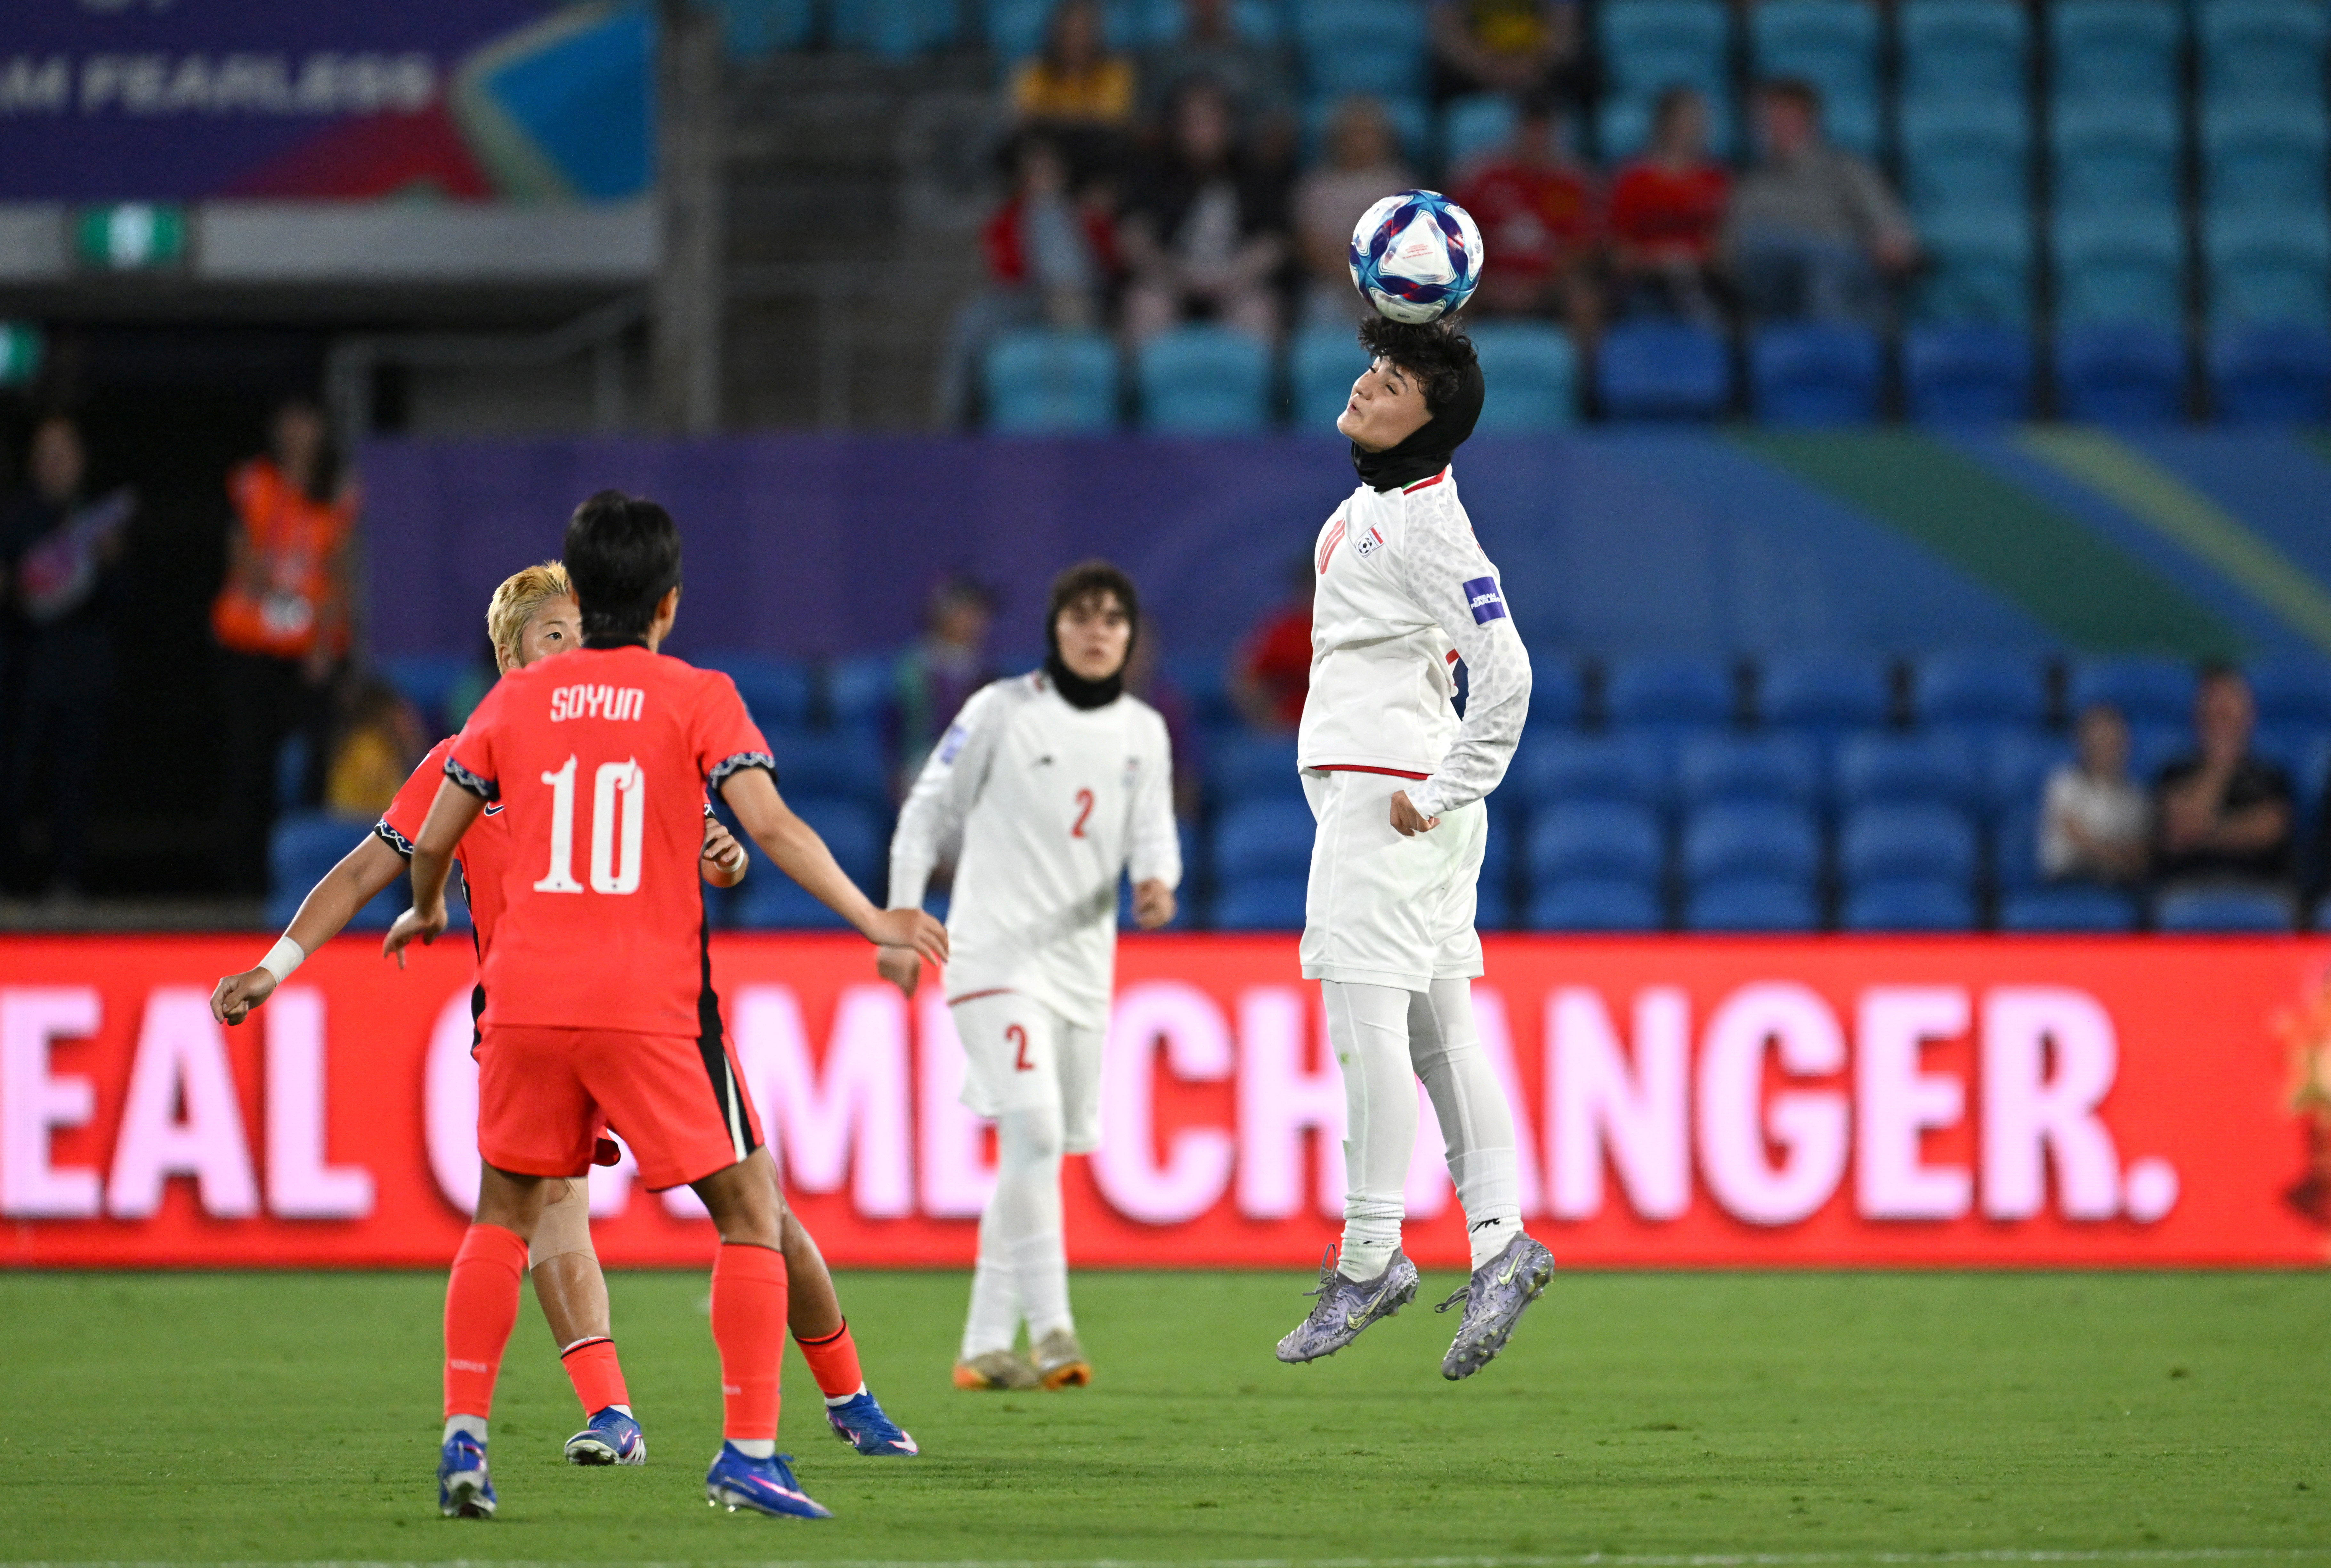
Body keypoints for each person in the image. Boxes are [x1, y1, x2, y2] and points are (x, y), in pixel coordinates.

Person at [208, 562, 921, 1471]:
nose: (573, 651)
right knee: (550, 1211)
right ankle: (612, 1415)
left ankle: (847, 1392)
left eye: (580, 633)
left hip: (646, 1006)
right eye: (554, 636)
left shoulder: (626, 736)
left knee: (761, 1212)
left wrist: (723, 854)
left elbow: (719, 851)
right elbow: (362, 869)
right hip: (533, 1012)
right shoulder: (473, 749)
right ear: (510, 655)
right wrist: (277, 965)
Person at [380, 495, 947, 1521]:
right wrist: (873, 917)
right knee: (748, 1214)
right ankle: (749, 1450)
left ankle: (466, 1437)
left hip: (523, 999)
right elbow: (770, 826)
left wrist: (425, 909)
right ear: (669, 604)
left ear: (581, 598)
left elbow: (430, 841)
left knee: (502, 1218)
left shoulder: (509, 707)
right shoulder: (696, 695)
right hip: (648, 998)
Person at [1274, 313, 1552, 1379]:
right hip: (1408, 795)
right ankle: (1498, 1240)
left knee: (1365, 1029)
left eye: (1392, 382)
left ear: (1429, 428)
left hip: (1391, 795)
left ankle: (1370, 1252)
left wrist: (1441, 790)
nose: (1364, 385)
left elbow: (1510, 672)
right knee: (1443, 1038)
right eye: (1372, 367)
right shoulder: (1378, 502)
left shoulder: (1430, 526)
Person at [876, 561, 1180, 1392]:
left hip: (1084, 967)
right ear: (1056, 629)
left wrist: (1158, 881)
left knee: (1035, 1148)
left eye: (1112, 619)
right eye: (1081, 616)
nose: (1097, 631)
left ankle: (981, 1343)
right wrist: (901, 916)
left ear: (1127, 636)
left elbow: (1152, 831)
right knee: (1038, 1130)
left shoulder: (1143, 732)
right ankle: (1052, 1331)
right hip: (993, 955)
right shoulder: (1000, 711)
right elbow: (926, 809)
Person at [212, 397, 357, 895]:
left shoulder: (337, 490)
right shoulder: (253, 482)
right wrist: (276, 584)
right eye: (289, 419)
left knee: (312, 767)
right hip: (253, 645)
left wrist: (322, 644)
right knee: (247, 767)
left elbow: (340, 575)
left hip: (309, 654)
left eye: (306, 419)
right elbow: (240, 556)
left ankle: (307, 886)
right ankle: (243, 888)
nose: (297, 430)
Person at [1, 414, 131, 895]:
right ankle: (10, 887)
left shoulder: (98, 521)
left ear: (80, 460)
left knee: (74, 782)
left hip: (85, 673)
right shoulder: (14, 519)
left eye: (64, 453)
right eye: (45, 453)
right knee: (14, 782)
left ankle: (68, 882)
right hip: (26, 674)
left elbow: (121, 603)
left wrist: (110, 563)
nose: (55, 464)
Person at [942, 134, 1121, 427]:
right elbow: (1005, 273)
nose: (1043, 178)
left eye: (1049, 170)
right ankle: (962, 419)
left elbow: (1109, 264)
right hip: (1026, 300)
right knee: (971, 321)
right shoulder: (1006, 220)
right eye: (1035, 171)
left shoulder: (1086, 215)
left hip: (1086, 299)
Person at [1724, 79, 1916, 329]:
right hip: (1774, 294)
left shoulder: (1846, 170)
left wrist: (1891, 244)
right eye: (1764, 122)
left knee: (1824, 266)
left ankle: (1831, 349)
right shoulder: (1750, 187)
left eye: (1782, 119)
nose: (1771, 129)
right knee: (1763, 243)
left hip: (1844, 280)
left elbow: (1892, 235)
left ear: (1808, 121)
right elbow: (1732, 253)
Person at [1119, 78, 1289, 344]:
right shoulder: (1154, 171)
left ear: (1229, 125)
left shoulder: (1255, 173)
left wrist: (1232, 277)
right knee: (1144, 306)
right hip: (1170, 279)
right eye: (1191, 122)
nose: (1199, 131)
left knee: (1259, 312)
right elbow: (1134, 237)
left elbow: (1274, 242)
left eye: (1209, 121)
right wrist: (1174, 275)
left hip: (1236, 281)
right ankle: (1143, 385)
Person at [1450, 94, 1603, 333]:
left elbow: (1582, 248)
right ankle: (1439, 369)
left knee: (1584, 301)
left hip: (1548, 284)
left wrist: (1540, 283)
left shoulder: (1574, 184)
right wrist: (1489, 279)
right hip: (1490, 280)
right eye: (1531, 132)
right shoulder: (1483, 177)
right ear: (1517, 132)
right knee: (1447, 295)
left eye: (1544, 133)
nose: (1537, 141)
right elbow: (1457, 241)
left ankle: (1586, 370)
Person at [2153, 665, 2295, 893]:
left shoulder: (2272, 774)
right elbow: (2179, 833)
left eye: (2230, 700)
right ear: (2197, 713)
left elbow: (2267, 831)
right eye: (2213, 700)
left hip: (2259, 887)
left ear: (2249, 713)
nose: (2221, 710)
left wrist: (2203, 831)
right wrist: (2219, 767)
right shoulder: (2174, 772)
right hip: (2187, 886)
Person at [1607, 85, 1730, 326]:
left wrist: (1691, 260)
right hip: (1644, 281)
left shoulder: (1716, 180)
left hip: (1702, 279)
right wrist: (1659, 260)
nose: (1697, 128)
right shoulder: (1633, 181)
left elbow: (1725, 247)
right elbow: (1618, 252)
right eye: (1688, 120)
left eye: (1700, 120)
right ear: (1665, 124)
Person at [1292, 96, 1417, 327]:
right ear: (1337, 138)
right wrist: (1350, 274)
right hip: (1329, 285)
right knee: (1322, 310)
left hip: (1385, 283)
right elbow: (1309, 246)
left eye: (1368, 134)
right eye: (1353, 134)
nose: (1360, 142)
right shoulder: (1315, 187)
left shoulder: (1400, 186)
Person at [1139, 0, 1295, 152]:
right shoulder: (1165, 61)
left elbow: (1278, 121)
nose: (1207, 4)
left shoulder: (1256, 60)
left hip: (1242, 163)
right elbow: (1147, 125)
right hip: (1174, 165)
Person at [1008, 0, 1137, 177]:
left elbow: (1110, 122)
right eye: (1068, 31)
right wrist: (1080, 117)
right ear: (1054, 32)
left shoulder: (1116, 73)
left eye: (1083, 31)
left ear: (1097, 33)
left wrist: (1051, 118)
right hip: (1048, 157)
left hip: (1097, 159)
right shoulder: (1033, 73)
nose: (1076, 39)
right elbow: (1023, 120)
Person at [894, 574, 1000, 787]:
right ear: (942, 615)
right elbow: (911, 735)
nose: (976, 621)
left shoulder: (984, 672)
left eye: (979, 613)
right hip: (926, 764)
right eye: (967, 612)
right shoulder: (915, 670)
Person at [2040, 703, 2149, 885]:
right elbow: (2078, 838)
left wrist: (2123, 859)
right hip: (2069, 880)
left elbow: (2141, 853)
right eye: (2098, 741)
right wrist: (2118, 857)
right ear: (2083, 744)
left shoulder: (2136, 794)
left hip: (2121, 883)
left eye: (2113, 741)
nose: (2106, 748)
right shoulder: (2065, 784)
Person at [1428, 0, 1587, 107]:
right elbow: (1447, 32)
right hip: (1474, 82)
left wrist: (1530, 66)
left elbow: (1564, 31)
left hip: (1541, 78)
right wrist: (1488, 67)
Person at [1228, 558, 1315, 733]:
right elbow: (1246, 679)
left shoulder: (1358, 627)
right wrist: (1267, 723)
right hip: (1289, 733)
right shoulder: (1286, 631)